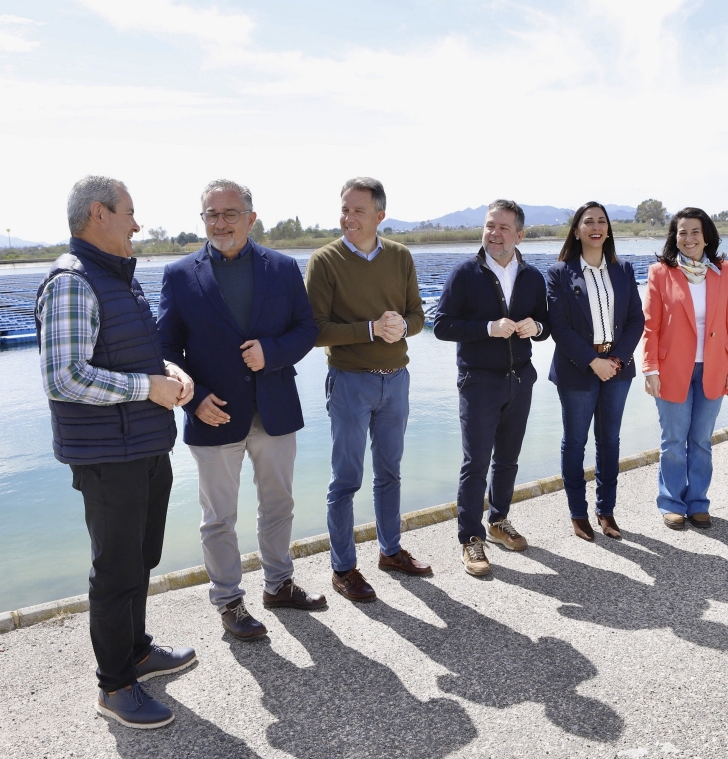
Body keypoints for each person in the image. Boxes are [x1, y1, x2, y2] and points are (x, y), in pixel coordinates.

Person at [35, 175, 196, 729]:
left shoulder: (117, 277)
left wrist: (168, 371)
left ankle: (138, 652)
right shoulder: (72, 282)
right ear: (99, 214)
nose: (138, 223)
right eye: (130, 213)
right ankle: (115, 685)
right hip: (108, 455)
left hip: (143, 444)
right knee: (115, 569)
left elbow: (132, 354)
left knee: (140, 559)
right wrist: (148, 387)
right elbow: (64, 377)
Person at [157, 179, 324, 642]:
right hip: (213, 414)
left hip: (275, 410)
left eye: (230, 213)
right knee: (218, 517)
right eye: (211, 214)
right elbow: (165, 348)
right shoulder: (178, 275)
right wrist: (193, 398)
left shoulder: (283, 268)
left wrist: (272, 352)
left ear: (251, 218)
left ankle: (279, 584)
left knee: (279, 504)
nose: (220, 223)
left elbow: (306, 329)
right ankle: (229, 601)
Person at [305, 177, 431, 601]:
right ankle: (343, 568)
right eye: (345, 209)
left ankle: (390, 551)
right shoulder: (324, 261)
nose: (349, 218)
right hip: (349, 383)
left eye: (358, 210)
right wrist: (371, 330)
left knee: (390, 472)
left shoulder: (400, 256)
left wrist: (402, 326)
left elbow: (417, 316)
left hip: (396, 381)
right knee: (346, 479)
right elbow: (315, 330)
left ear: (380, 215)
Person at [433, 200, 552, 576]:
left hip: (520, 379)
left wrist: (536, 327)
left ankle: (498, 521)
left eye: (503, 228)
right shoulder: (464, 273)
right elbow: (441, 325)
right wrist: (488, 327)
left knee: (508, 460)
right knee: (476, 463)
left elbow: (547, 324)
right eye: (489, 226)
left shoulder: (533, 277)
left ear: (520, 235)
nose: (494, 234)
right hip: (478, 382)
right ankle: (471, 538)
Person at [547, 202, 646, 541]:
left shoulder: (623, 269)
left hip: (617, 367)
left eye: (602, 221)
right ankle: (578, 513)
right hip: (577, 369)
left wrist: (615, 359)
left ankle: (606, 510)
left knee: (609, 441)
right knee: (575, 442)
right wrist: (593, 361)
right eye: (588, 221)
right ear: (576, 230)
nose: (596, 227)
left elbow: (636, 319)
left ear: (608, 229)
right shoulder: (560, 272)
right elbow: (559, 327)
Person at [642, 208, 728, 531]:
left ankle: (698, 502)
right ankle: (672, 503)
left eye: (695, 232)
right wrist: (650, 369)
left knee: (701, 440)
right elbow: (651, 326)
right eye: (682, 232)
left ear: (706, 236)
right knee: (673, 439)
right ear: (674, 237)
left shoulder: (723, 271)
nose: (688, 238)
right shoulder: (661, 272)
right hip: (671, 369)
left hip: (715, 368)